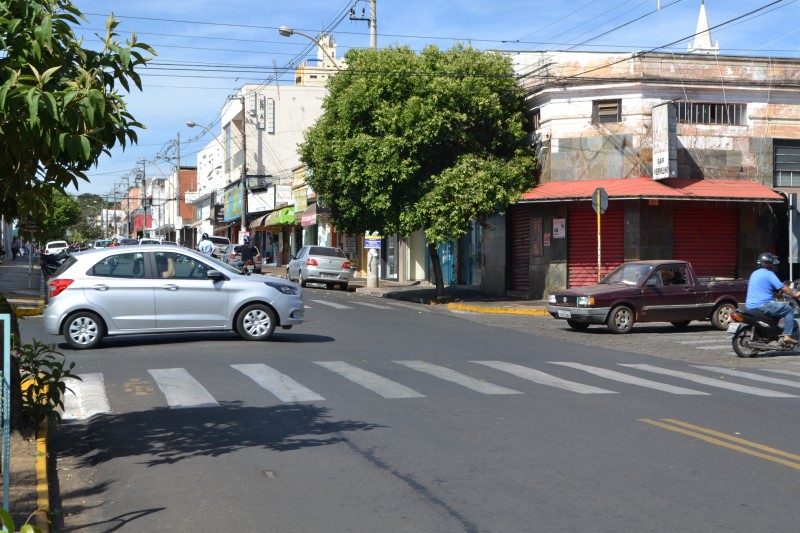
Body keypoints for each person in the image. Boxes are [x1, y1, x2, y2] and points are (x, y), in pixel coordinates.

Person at [745, 252, 800, 344]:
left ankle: (772, 334)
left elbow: (762, 289)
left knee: (777, 310)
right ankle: (787, 335)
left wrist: (777, 295)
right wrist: (795, 294)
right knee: (788, 310)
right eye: (771, 263)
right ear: (767, 264)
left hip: (750, 305)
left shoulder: (754, 273)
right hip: (763, 304)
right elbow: (783, 288)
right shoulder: (769, 274)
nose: (773, 265)